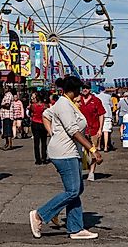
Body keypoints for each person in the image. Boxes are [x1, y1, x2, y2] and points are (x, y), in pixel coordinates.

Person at [29, 76, 103, 240]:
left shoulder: (68, 104)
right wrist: (92, 149)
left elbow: (47, 114)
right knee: (73, 190)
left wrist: (52, 132)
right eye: (79, 90)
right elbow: (73, 131)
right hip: (64, 153)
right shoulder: (64, 104)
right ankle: (40, 215)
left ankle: (75, 228)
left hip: (71, 152)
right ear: (74, 90)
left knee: (77, 190)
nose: (81, 94)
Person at [78, 84, 105, 181]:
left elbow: (101, 115)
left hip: (93, 130)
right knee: (79, 152)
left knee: (93, 151)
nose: (84, 90)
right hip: (80, 131)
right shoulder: (77, 100)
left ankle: (91, 172)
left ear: (90, 89)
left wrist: (100, 129)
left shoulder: (96, 101)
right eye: (83, 88)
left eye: (86, 88)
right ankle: (79, 172)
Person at [30, 91, 49, 165]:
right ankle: (44, 158)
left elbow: (31, 114)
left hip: (35, 123)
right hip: (43, 124)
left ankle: (38, 159)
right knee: (44, 142)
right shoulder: (45, 106)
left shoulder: (33, 105)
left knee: (36, 142)